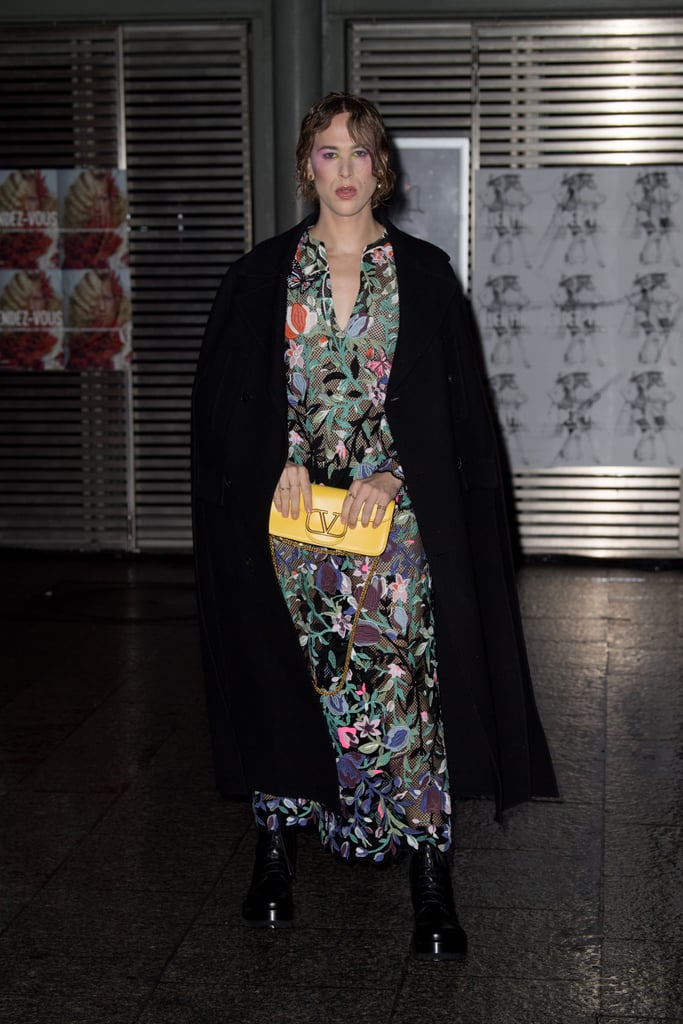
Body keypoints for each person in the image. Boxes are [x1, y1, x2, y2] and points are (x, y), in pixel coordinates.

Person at [192, 92, 558, 962]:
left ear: (380, 166)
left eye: (359, 153)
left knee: (404, 696)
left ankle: (429, 874)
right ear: (305, 167)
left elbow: (453, 415)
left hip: (393, 531)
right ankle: (275, 854)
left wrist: (396, 473)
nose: (345, 170)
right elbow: (224, 404)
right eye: (327, 153)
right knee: (291, 686)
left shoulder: (423, 275)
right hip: (290, 528)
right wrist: (270, 458)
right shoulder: (262, 276)